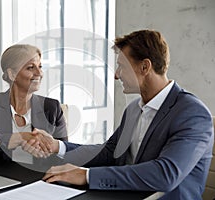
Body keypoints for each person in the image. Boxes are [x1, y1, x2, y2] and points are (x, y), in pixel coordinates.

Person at [36, 30, 214, 199]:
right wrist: (58, 146)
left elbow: (165, 174)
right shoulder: (134, 109)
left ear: (145, 67)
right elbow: (109, 152)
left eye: (121, 66)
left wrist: (88, 176)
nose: (116, 75)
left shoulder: (193, 114)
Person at [0, 44, 68, 163]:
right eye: (30, 67)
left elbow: (65, 151)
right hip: (1, 175)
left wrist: (49, 145)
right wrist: (18, 138)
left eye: (40, 66)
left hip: (38, 176)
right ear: (12, 74)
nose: (39, 73)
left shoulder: (52, 107)